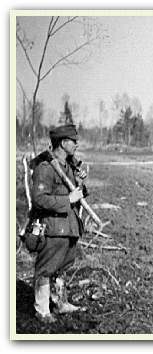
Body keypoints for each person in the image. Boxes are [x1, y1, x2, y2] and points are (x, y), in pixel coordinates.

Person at [30, 124, 87, 323]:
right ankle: (42, 309)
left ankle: (60, 303)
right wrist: (68, 200)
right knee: (46, 268)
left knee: (63, 266)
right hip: (53, 228)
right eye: (74, 141)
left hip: (69, 227)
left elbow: (78, 195)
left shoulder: (69, 166)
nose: (77, 144)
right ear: (63, 143)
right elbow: (39, 199)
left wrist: (80, 184)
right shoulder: (45, 167)